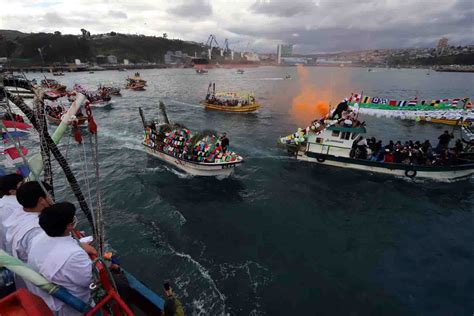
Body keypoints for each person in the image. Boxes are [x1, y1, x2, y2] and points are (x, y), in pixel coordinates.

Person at [27, 202, 93, 316]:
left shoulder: (37, 239)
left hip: (45, 297)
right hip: (76, 306)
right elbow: (89, 281)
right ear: (69, 226)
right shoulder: (74, 255)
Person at [5, 181, 51, 262]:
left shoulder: (19, 213)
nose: (51, 197)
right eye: (49, 194)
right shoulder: (38, 230)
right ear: (41, 200)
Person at [0, 174, 25, 251]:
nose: (26, 186)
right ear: (12, 191)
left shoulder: (4, 202)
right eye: (22, 184)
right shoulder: (11, 207)